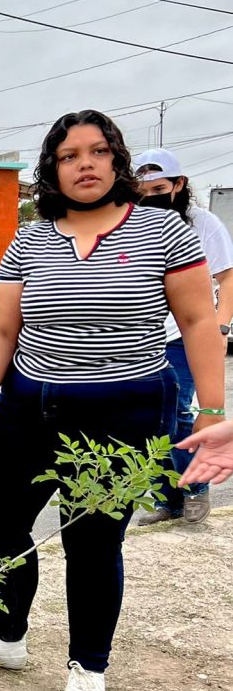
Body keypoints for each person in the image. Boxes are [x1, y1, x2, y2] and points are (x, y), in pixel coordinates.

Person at [0, 109, 224, 691]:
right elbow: (0, 329)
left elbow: (200, 321)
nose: (84, 164)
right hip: (28, 405)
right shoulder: (31, 239)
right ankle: (6, 636)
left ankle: (89, 664)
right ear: (53, 169)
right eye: (69, 156)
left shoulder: (164, 231)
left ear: (117, 161)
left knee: (92, 540)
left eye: (97, 152)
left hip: (123, 410)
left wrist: (211, 410)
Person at [133, 148, 233, 526]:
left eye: (158, 189)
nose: (150, 197)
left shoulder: (202, 223)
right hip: (143, 337)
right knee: (149, 420)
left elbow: (228, 278)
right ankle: (167, 498)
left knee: (177, 413)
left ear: (179, 184)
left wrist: (220, 327)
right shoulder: (132, 222)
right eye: (142, 191)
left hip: (183, 336)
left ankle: (195, 488)